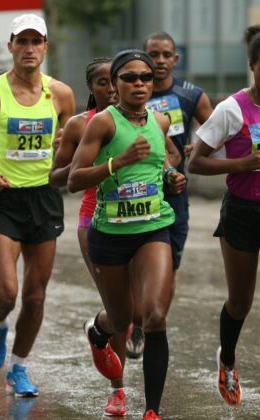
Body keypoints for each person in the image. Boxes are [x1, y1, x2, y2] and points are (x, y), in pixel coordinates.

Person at [0, 13, 75, 397]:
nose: (29, 48)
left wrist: (63, 154)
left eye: (36, 41)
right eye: (22, 41)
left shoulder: (62, 94)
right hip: (3, 200)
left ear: (45, 48)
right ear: (10, 48)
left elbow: (71, 143)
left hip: (44, 198)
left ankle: (19, 368)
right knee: (5, 293)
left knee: (36, 295)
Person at [188, 29, 260, 419]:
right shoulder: (232, 109)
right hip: (241, 209)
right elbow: (197, 162)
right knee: (239, 302)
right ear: (252, 66)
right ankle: (227, 360)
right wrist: (241, 163)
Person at [67, 50, 185, 420]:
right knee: (122, 320)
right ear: (115, 85)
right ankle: (98, 330)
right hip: (110, 233)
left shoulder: (161, 120)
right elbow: (73, 179)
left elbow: (163, 160)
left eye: (146, 78)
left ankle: (152, 410)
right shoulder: (103, 123)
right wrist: (118, 162)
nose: (139, 84)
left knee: (153, 315)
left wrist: (170, 176)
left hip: (153, 227)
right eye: (130, 78)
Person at [124, 30, 213, 359]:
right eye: (154, 54)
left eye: (166, 55)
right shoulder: (131, 91)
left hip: (174, 193)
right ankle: (134, 320)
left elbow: (221, 131)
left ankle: (153, 323)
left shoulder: (191, 95)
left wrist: (198, 146)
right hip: (133, 192)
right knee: (135, 266)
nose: (160, 61)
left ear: (176, 59)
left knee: (168, 266)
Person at [50, 57, 130, 416]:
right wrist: (88, 161)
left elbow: (169, 158)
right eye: (102, 82)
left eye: (116, 80)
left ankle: (102, 329)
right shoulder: (78, 125)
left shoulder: (145, 119)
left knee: (140, 306)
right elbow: (57, 178)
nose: (111, 89)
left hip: (141, 217)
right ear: (92, 88)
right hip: (94, 218)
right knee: (120, 307)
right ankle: (118, 390)